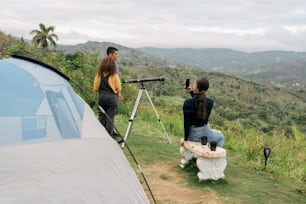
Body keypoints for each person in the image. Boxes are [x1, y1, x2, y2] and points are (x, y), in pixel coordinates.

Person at [180, 77, 224, 147]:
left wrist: (186, 139)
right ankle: (214, 153)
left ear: (196, 87)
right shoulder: (210, 102)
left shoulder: (187, 103)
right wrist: (192, 92)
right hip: (205, 132)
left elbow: (186, 123)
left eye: (195, 83)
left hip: (192, 134)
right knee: (220, 136)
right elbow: (199, 101)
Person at [93, 56, 122, 137]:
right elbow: (118, 87)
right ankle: (109, 137)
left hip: (101, 98)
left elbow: (95, 88)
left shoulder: (99, 75)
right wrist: (118, 93)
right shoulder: (114, 75)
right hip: (112, 98)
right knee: (110, 118)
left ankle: (100, 135)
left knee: (101, 117)